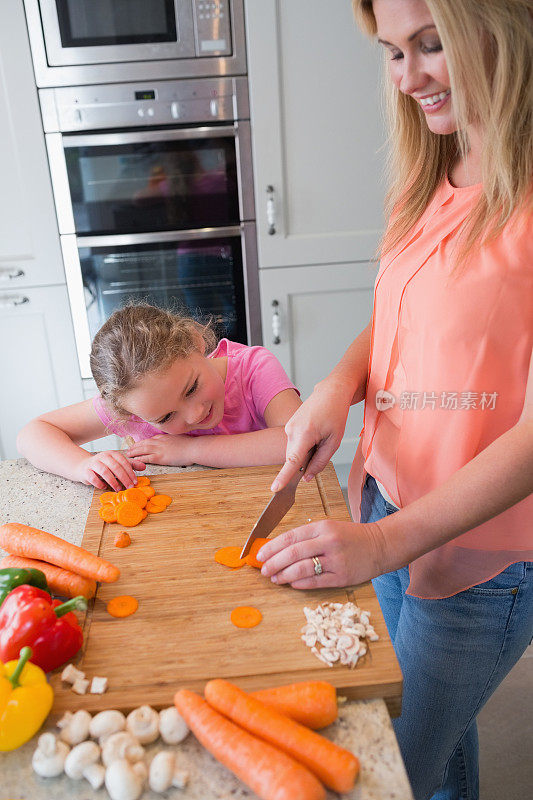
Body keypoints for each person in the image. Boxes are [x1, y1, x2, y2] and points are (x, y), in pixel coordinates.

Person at [257, 1, 533, 798]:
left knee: (386, 768)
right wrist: (337, 390)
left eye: (429, 44)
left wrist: (383, 547)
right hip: (380, 503)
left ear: (505, 31)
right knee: (430, 741)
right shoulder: (429, 174)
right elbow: (397, 318)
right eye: (390, 52)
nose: (408, 77)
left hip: (479, 559)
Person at [17, 304, 301, 491]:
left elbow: (296, 440)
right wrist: (81, 465)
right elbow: (33, 434)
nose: (194, 414)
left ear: (195, 341)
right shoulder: (131, 404)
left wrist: (191, 450)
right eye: (165, 417)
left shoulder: (254, 368)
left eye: (191, 388)